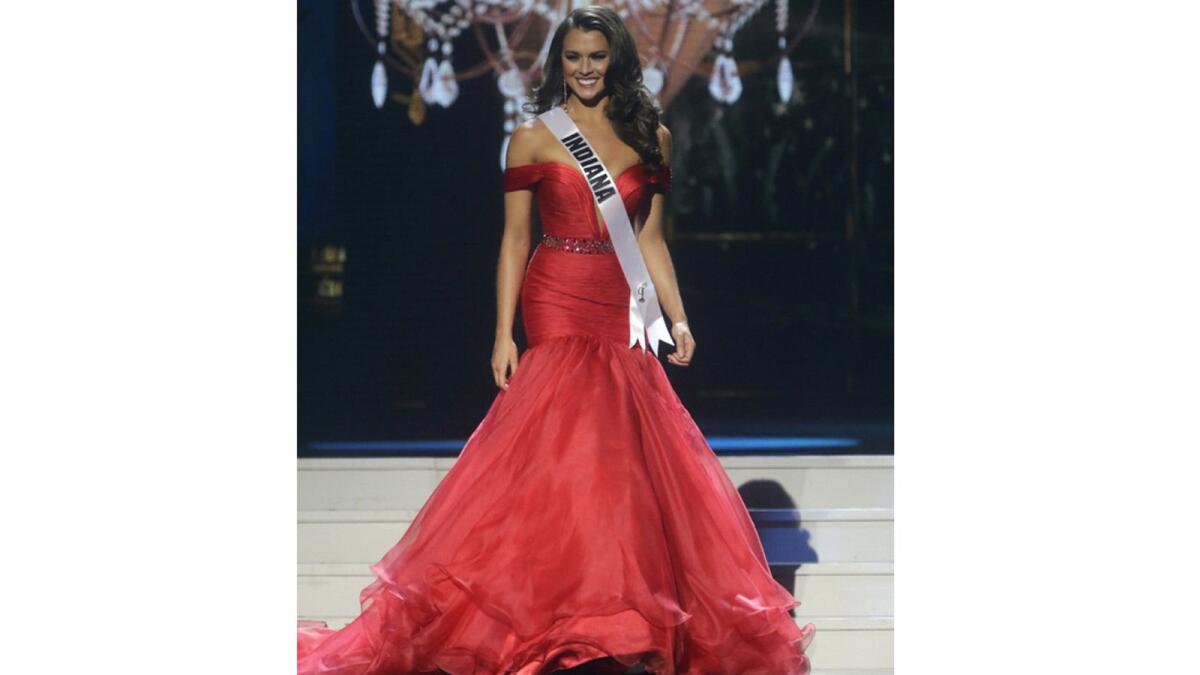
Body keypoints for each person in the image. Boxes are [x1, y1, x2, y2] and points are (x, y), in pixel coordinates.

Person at [298, 6, 815, 674]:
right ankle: (551, 610)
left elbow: (650, 240)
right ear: (557, 63)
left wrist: (679, 319)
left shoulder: (650, 135)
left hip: (618, 300)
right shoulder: (534, 137)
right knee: (564, 443)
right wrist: (501, 331)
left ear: (615, 59)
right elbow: (515, 237)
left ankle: (615, 611)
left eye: (597, 56)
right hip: (557, 293)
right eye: (573, 57)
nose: (586, 68)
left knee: (620, 455)